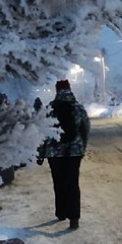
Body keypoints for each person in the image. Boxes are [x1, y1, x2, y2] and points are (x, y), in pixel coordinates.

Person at [37, 79, 90, 230]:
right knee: (72, 183)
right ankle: (74, 219)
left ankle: (61, 212)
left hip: (54, 152)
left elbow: (43, 132)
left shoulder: (50, 108)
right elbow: (85, 128)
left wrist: (40, 153)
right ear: (70, 89)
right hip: (74, 151)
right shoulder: (78, 107)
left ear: (57, 91)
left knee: (58, 181)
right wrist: (82, 147)